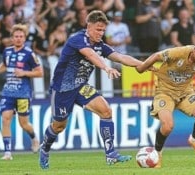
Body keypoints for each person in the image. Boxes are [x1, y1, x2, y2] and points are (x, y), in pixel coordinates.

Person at [39, 10, 144, 170]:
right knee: (59, 126)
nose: (101, 33)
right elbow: (90, 55)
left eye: (103, 30)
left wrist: (143, 64)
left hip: (81, 87)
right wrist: (105, 68)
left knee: (106, 111)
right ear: (88, 26)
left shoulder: (100, 45)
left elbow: (121, 57)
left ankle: (111, 155)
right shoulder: (77, 39)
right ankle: (45, 148)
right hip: (62, 89)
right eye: (98, 29)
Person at [136, 38, 195, 168]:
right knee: (167, 126)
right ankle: (157, 153)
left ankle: (194, 140)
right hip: (165, 92)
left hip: (186, 92)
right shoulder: (179, 52)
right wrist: (142, 67)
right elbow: (157, 56)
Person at [0, 24, 43, 160]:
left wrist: (24, 72)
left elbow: (40, 72)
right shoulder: (7, 51)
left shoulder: (29, 54)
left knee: (23, 123)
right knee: (5, 119)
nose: (18, 39)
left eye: (21, 36)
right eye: (16, 36)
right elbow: (5, 65)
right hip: (8, 92)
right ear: (12, 38)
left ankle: (34, 138)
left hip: (23, 93)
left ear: (25, 38)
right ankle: (7, 153)